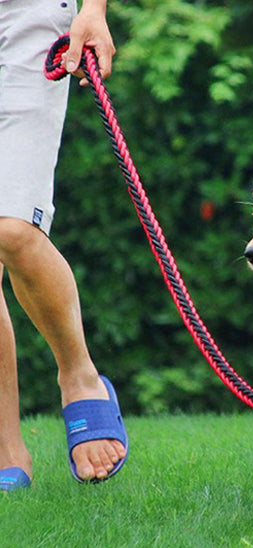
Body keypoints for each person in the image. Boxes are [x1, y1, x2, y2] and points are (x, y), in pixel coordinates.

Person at [0, 0, 128, 491]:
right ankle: (7, 448)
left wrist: (93, 9)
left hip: (26, 17)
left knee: (11, 226)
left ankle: (79, 375)